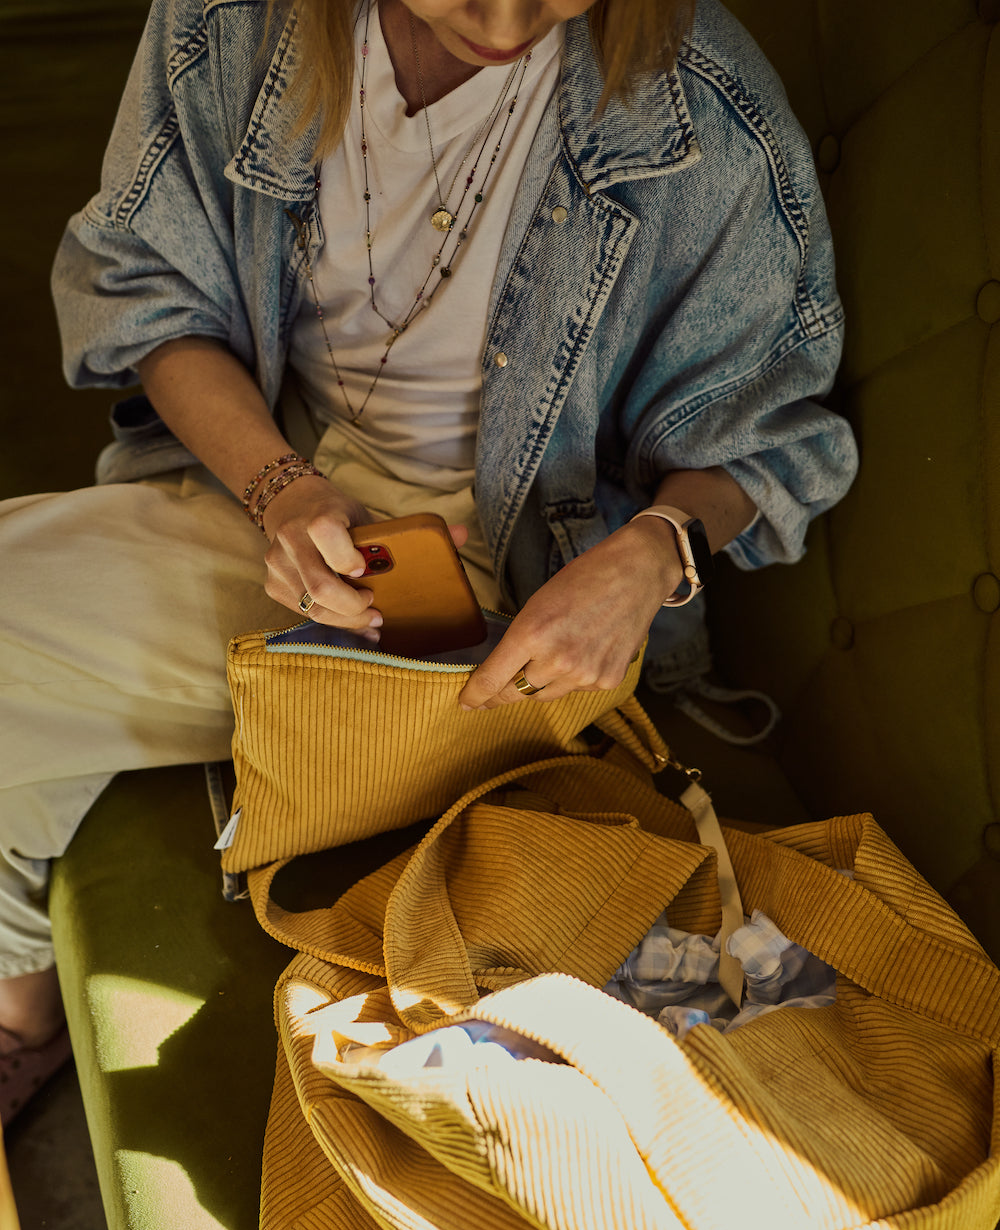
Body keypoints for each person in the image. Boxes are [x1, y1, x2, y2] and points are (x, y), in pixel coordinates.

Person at [0, 0, 858, 1122]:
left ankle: (17, 1006)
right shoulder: (230, 23)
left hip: (523, 586)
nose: (506, 22)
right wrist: (278, 488)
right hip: (266, 490)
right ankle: (23, 996)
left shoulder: (701, 101)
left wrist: (649, 555)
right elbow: (146, 299)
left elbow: (770, 442)